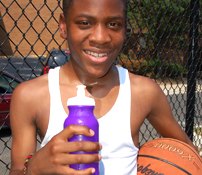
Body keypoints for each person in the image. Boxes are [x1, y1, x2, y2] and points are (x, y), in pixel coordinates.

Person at [9, 0, 196, 175]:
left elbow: (188, 156)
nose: (101, 38)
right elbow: (17, 169)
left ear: (125, 29)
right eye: (84, 23)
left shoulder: (143, 92)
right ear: (63, 26)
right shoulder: (30, 96)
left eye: (113, 24)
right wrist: (33, 168)